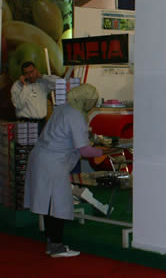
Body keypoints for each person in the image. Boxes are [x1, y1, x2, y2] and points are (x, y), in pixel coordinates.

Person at [23, 84, 113, 258]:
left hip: (41, 157)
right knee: (59, 204)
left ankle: (52, 243)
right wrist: (105, 151)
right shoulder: (76, 116)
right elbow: (84, 151)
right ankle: (56, 247)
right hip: (52, 163)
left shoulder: (63, 108)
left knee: (49, 204)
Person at [10, 61, 57, 133]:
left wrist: (42, 76)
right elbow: (18, 105)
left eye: (32, 72)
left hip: (42, 123)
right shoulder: (17, 85)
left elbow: (60, 82)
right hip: (26, 124)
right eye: (27, 73)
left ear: (36, 71)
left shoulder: (42, 83)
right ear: (23, 75)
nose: (31, 75)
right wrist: (25, 86)